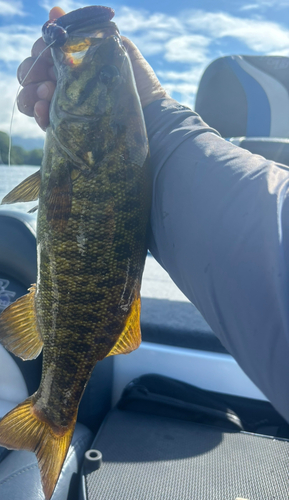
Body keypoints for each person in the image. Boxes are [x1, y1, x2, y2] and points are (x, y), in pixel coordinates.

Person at [17, 7, 289, 423]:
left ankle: (53, 411)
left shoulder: (95, 147)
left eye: (110, 77)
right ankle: (53, 411)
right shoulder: (110, 142)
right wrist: (156, 113)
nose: (105, 69)